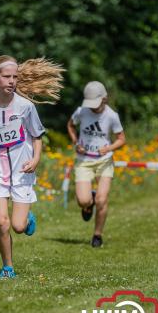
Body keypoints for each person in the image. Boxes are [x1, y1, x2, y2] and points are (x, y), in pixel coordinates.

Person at [0, 55, 64, 278]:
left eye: (15, 77)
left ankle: (27, 219)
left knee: (18, 226)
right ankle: (7, 267)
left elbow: (37, 136)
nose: (12, 81)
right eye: (7, 77)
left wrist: (36, 159)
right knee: (2, 221)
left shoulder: (26, 106)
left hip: (22, 172)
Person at [67, 81, 126, 247]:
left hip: (104, 162)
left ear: (104, 99)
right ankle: (89, 201)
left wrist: (109, 148)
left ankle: (97, 235)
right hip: (83, 161)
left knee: (102, 200)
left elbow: (122, 139)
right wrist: (75, 141)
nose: (92, 108)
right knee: (83, 201)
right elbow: (70, 125)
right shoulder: (82, 111)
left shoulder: (112, 116)